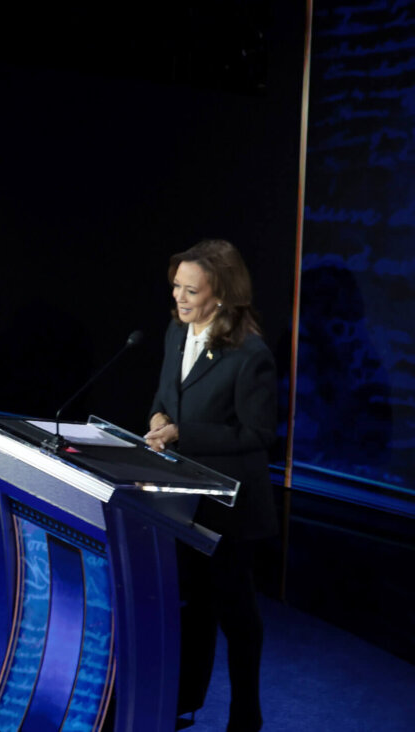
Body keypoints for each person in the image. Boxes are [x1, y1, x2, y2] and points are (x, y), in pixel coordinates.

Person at [143, 239, 276, 732]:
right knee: (193, 603)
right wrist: (159, 415)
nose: (179, 299)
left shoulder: (250, 354)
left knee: (235, 613)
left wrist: (182, 432)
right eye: (176, 287)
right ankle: (184, 702)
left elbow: (258, 433)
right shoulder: (176, 334)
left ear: (220, 294)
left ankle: (247, 715)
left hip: (231, 506)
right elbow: (164, 394)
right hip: (184, 498)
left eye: (191, 291)